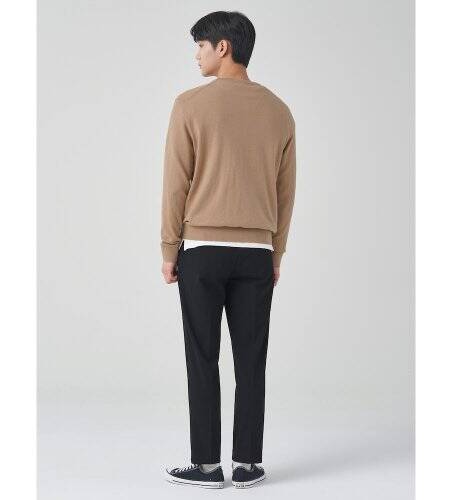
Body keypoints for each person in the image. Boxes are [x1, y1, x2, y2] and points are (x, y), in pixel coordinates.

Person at [161, 10, 296, 489]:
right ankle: (247, 464)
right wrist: (276, 253)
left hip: (201, 250)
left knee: (202, 356)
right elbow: (285, 192)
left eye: (201, 45)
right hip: (256, 252)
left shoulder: (189, 105)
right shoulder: (279, 111)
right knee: (251, 359)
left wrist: (169, 248)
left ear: (224, 47)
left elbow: (176, 183)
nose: (196, 55)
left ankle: (206, 465)